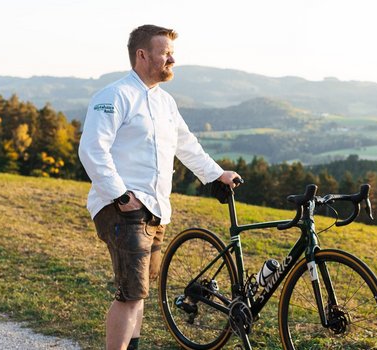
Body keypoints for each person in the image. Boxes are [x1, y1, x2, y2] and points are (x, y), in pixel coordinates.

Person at [78, 24, 241, 350]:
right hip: (124, 208)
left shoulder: (164, 102)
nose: (172, 59)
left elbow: (187, 146)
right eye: (165, 52)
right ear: (142, 55)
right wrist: (121, 195)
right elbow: (92, 150)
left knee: (139, 292)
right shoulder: (114, 96)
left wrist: (216, 174)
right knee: (130, 293)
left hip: (155, 210)